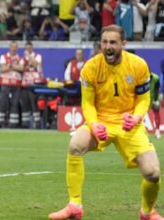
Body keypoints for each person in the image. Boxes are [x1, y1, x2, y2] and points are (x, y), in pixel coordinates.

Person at [48, 25, 164, 220]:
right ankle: (74, 206)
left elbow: (144, 99)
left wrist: (135, 117)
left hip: (129, 124)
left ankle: (147, 212)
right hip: (101, 120)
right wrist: (93, 124)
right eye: (104, 42)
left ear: (123, 44)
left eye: (113, 42)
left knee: (153, 173)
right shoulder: (91, 68)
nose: (108, 47)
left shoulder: (138, 65)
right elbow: (87, 103)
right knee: (76, 144)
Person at [0, 41, 25, 128]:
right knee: (2, 101)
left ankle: (13, 123)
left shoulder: (20, 58)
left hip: (16, 83)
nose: (14, 48)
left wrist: (10, 66)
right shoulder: (3, 56)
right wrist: (15, 67)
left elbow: (22, 68)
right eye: (13, 47)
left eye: (16, 47)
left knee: (15, 102)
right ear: (10, 47)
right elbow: (3, 69)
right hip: (5, 82)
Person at [20, 41, 43, 128]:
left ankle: (37, 123)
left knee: (34, 103)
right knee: (25, 103)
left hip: (34, 83)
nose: (28, 49)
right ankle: (25, 123)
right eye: (27, 48)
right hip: (25, 83)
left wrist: (29, 57)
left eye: (30, 48)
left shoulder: (37, 56)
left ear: (32, 48)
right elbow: (22, 69)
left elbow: (36, 65)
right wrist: (27, 65)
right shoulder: (22, 58)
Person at [150, 72, 162, 139]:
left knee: (156, 109)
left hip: (152, 98)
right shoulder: (141, 77)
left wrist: (156, 100)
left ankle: (157, 131)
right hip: (142, 99)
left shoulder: (155, 78)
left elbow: (157, 89)